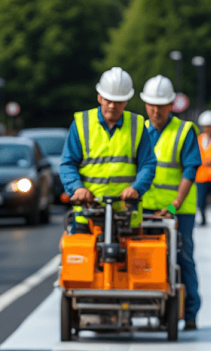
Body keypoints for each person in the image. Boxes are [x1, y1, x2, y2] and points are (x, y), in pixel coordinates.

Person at [59, 67, 156, 233]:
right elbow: (68, 163)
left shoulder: (137, 125)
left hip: (126, 214)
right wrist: (77, 188)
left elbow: (148, 164)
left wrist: (136, 188)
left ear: (126, 100)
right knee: (78, 256)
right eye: (108, 99)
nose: (112, 106)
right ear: (99, 97)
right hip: (88, 213)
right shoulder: (82, 124)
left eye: (118, 101)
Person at [140, 75, 203, 331]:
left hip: (178, 209)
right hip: (146, 209)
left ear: (171, 105)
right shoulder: (140, 130)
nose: (156, 110)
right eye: (151, 105)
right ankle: (155, 308)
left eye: (162, 105)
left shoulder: (184, 131)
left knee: (182, 258)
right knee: (148, 258)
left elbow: (190, 170)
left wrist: (175, 204)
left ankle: (189, 313)